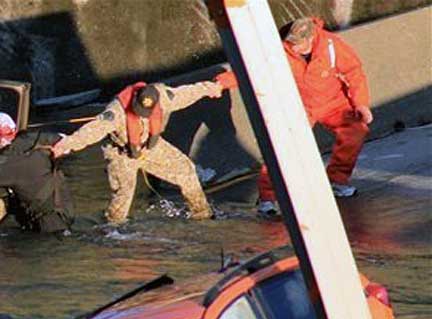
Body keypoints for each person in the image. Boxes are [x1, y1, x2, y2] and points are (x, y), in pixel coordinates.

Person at [51, 78, 227, 224]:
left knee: (186, 170)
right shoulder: (116, 111)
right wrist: (66, 145)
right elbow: (93, 130)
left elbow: (185, 93)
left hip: (149, 147)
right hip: (121, 153)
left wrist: (210, 88)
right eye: (139, 110)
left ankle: (202, 215)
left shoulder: (162, 96)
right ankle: (112, 229)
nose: (142, 115)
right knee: (123, 198)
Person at [257, 17, 373, 215]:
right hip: (297, 107)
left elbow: (354, 73)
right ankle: (267, 197)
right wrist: (219, 84)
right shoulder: (278, 50)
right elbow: (254, 72)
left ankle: (337, 180)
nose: (293, 49)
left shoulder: (332, 46)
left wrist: (360, 104)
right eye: (291, 44)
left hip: (333, 104)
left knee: (355, 130)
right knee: (282, 146)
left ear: (311, 38)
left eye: (298, 44)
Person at [0, 113, 74, 233]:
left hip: (47, 225)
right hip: (63, 211)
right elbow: (66, 142)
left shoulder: (7, 163)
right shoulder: (35, 138)